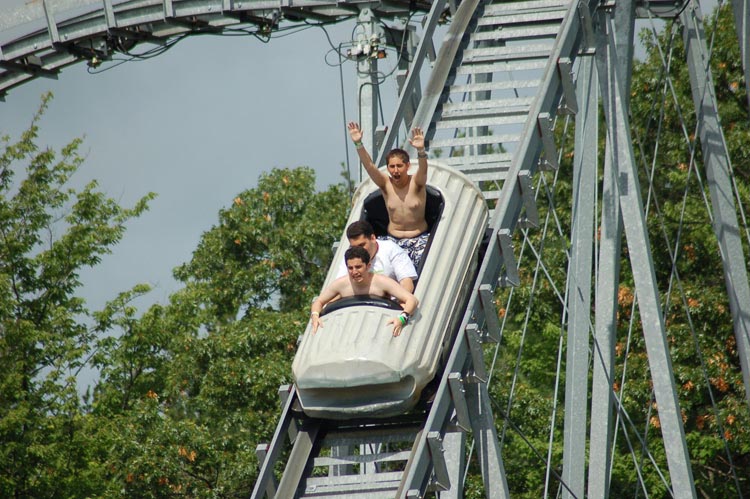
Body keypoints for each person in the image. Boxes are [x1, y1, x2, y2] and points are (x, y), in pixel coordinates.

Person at [348, 121, 430, 270]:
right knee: (379, 268)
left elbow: (424, 170)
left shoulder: (417, 183)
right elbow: (369, 166)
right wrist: (358, 144)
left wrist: (421, 151)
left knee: (420, 270)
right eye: (392, 167)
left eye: (399, 166)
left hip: (419, 239)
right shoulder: (385, 183)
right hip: (393, 240)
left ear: (407, 166)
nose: (395, 171)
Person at [311, 246, 418, 337]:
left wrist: (402, 318)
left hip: (379, 328)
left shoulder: (382, 282)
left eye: (358, 267)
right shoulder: (340, 284)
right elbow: (319, 302)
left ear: (368, 266)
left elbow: (412, 300)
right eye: (350, 268)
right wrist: (315, 315)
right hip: (349, 329)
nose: (354, 272)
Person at [336, 220, 417, 293]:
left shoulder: (391, 249)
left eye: (362, 245)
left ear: (373, 238)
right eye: (354, 247)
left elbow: (407, 283)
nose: (358, 251)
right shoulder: (350, 257)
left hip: (390, 304)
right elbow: (338, 287)